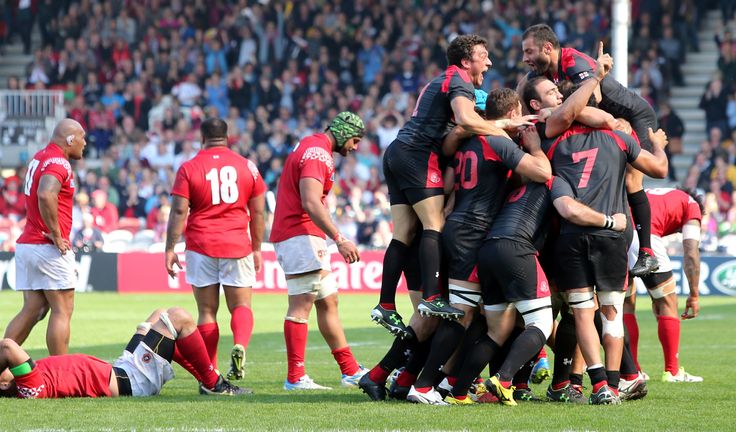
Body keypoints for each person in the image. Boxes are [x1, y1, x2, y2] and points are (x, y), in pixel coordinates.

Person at [522, 73, 669, 404]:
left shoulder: (553, 139)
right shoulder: (618, 137)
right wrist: (657, 143)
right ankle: (614, 386)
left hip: (570, 237)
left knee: (582, 313)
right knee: (611, 311)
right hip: (611, 234)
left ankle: (597, 383)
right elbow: (659, 169)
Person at [373, 34, 535, 333]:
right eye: (483, 56)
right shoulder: (459, 81)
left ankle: (385, 303)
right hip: (418, 157)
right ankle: (433, 297)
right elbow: (465, 120)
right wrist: (504, 132)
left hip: (398, 152)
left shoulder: (441, 80)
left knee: (404, 231)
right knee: (434, 223)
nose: (489, 62)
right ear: (465, 61)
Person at [406, 88, 552, 405]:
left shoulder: (469, 141)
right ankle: (424, 385)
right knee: (461, 316)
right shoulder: (495, 141)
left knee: (473, 318)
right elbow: (542, 172)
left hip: (459, 226)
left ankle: (445, 384)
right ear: (513, 112)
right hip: (472, 233)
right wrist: (535, 147)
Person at [443, 177, 629, 405]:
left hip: (488, 249)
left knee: (496, 331)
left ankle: (459, 392)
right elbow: (569, 210)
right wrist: (611, 222)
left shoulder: (516, 186)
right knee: (541, 323)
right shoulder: (554, 183)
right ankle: (504, 380)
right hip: (518, 250)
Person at [520, 24, 660, 278]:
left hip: (633, 117)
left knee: (631, 179)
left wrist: (554, 112)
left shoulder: (575, 62)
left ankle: (648, 252)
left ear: (547, 48)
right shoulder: (540, 75)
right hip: (605, 119)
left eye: (529, 52)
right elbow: (521, 93)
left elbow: (591, 100)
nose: (525, 58)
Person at [269, 111, 368, 390]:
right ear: (342, 132)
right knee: (301, 306)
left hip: (305, 234)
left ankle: (349, 370)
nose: (355, 147)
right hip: (299, 233)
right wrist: (339, 237)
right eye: (355, 140)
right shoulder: (318, 154)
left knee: (328, 301)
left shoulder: (311, 145)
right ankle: (295, 377)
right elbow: (311, 202)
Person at [165, 118, 266, 382]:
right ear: (228, 136)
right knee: (242, 305)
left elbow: (179, 210)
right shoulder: (248, 167)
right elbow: (257, 212)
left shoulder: (189, 168)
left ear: (202, 137)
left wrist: (170, 248)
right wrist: (256, 248)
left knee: (207, 312)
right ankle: (240, 344)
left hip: (201, 244)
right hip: (236, 243)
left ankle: (210, 374)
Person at [0, 306, 249, 398]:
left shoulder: (26, 381)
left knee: (156, 315)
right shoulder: (30, 387)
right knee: (178, 317)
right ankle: (213, 383)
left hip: (123, 368)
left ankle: (204, 378)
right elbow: (8, 346)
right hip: (133, 381)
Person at [3, 118, 87, 356]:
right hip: (47, 246)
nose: (85, 142)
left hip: (29, 243)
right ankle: (61, 374)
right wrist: (56, 234)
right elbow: (45, 194)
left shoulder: (40, 157)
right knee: (62, 309)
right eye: (82, 137)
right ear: (70, 140)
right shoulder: (60, 163)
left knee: (34, 309)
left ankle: (1, 361)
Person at [624, 187, 704, 384]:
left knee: (625, 305)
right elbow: (691, 251)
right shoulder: (692, 206)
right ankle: (672, 371)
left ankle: (633, 372)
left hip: (618, 235)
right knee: (668, 303)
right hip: (645, 239)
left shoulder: (660, 193)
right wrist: (694, 294)